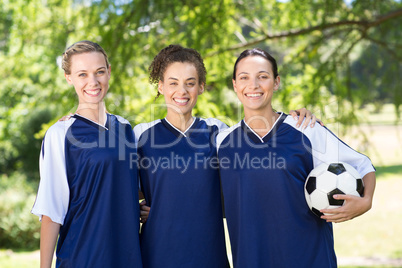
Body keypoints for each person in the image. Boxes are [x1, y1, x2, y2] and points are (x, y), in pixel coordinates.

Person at [135, 44, 319, 268]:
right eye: (173, 83)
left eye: (190, 83)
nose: (181, 91)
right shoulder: (141, 135)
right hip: (157, 254)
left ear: (201, 87)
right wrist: (137, 208)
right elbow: (122, 188)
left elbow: (258, 162)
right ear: (161, 86)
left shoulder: (218, 134)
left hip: (209, 254)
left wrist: (297, 117)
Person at [216, 48, 376, 267]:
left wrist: (365, 202)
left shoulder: (305, 129)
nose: (253, 85)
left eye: (262, 77)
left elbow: (363, 165)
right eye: (244, 77)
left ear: (276, 81)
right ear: (235, 85)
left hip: (310, 258)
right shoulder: (221, 142)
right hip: (252, 259)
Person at [31, 41, 143, 268]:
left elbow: (129, 186)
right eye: (82, 74)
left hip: (128, 258)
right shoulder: (60, 134)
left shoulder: (126, 128)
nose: (93, 82)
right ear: (68, 77)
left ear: (109, 72)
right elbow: (52, 211)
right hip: (82, 258)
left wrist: (150, 206)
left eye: (99, 72)